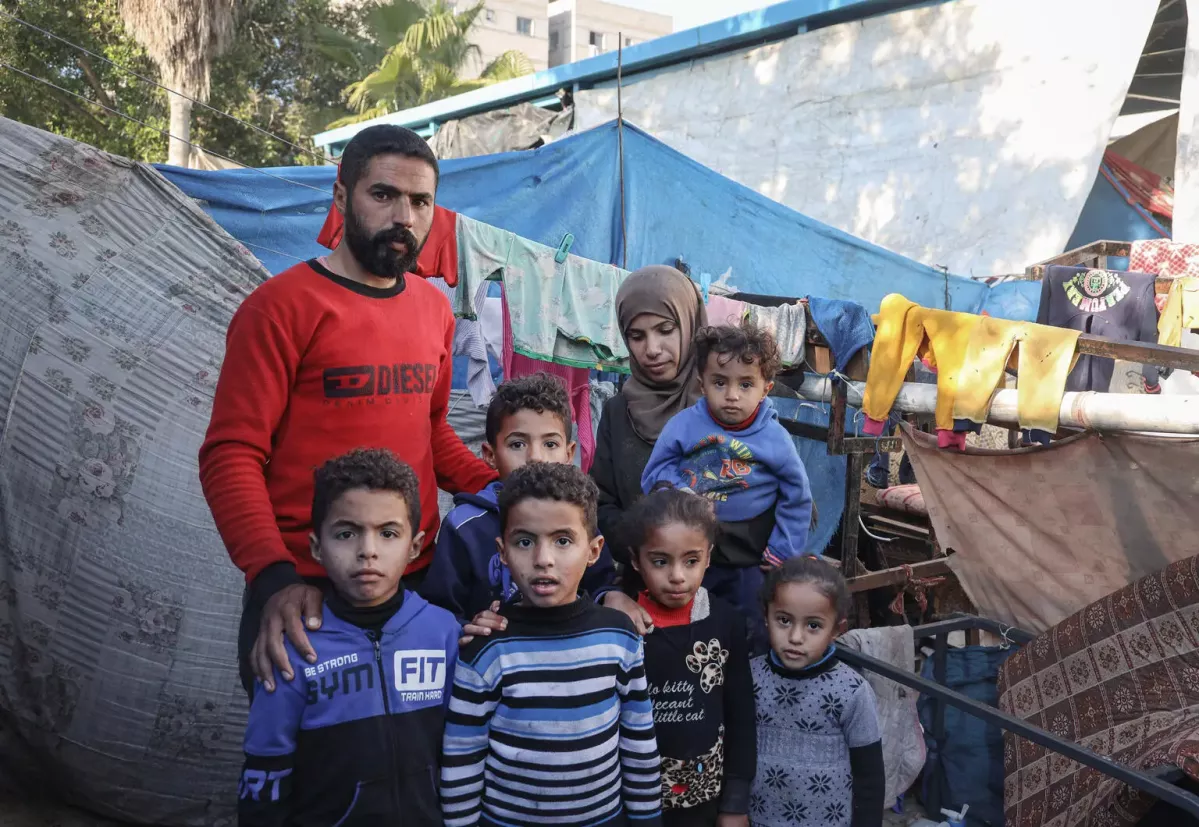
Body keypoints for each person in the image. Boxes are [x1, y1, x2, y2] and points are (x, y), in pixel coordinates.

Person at [199, 125, 496, 694]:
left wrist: (510, 493)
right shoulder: (279, 309)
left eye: (420, 201)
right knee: (308, 769)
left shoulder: (434, 310)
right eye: (383, 195)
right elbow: (230, 455)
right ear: (341, 198)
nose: (404, 217)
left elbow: (431, 433)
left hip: (418, 589)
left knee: (417, 762)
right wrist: (272, 577)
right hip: (306, 594)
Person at [238, 448, 459, 827]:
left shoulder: (444, 633)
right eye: (346, 533)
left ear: (415, 547)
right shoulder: (292, 645)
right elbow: (265, 768)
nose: (367, 552)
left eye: (388, 533)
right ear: (316, 548)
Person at [440, 463, 663, 827]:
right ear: (503, 551)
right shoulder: (485, 649)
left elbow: (638, 743)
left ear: (593, 551)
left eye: (563, 541)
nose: (544, 559)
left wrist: (647, 819)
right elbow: (463, 757)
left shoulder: (620, 637)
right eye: (525, 542)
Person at [423, 372, 615, 622]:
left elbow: (600, 584)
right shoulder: (464, 526)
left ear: (569, 454)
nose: (535, 456)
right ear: (490, 454)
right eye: (517, 444)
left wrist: (613, 596)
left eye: (550, 444)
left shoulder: (577, 516)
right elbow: (440, 613)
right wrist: (468, 628)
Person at [624, 487, 755, 827]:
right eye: (660, 561)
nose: (678, 576)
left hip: (704, 800)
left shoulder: (725, 621)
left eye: (691, 560)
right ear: (636, 560)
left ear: (708, 557)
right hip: (631, 799)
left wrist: (735, 803)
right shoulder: (622, 625)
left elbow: (740, 715)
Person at [641, 322, 813, 570]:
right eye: (720, 383)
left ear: (766, 390)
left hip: (749, 548)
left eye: (745, 384)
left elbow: (797, 495)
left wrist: (783, 549)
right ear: (702, 385)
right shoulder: (683, 425)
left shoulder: (775, 438)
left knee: (748, 603)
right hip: (688, 540)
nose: (732, 395)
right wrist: (681, 495)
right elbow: (655, 471)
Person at [749, 557, 884, 827]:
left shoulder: (852, 691)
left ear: (837, 629)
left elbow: (869, 776)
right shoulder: (748, 677)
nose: (796, 637)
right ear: (766, 617)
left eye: (813, 625)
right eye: (784, 620)